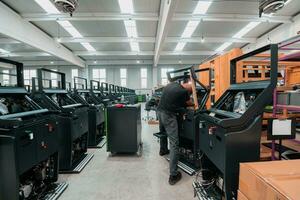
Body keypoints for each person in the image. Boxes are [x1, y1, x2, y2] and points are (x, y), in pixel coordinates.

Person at [157, 80, 194, 185]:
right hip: (168, 115)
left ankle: (163, 150)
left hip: (159, 111)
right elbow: (189, 103)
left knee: (162, 132)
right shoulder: (184, 92)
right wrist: (195, 102)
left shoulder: (172, 84)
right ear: (190, 90)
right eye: (191, 92)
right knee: (174, 143)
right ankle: (173, 175)